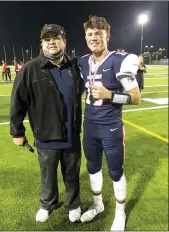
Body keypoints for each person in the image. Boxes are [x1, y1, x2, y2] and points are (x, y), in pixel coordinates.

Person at [10, 24, 84, 223]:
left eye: (56, 37)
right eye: (47, 38)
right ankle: (47, 203)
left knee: (72, 173)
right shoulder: (30, 69)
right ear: (42, 44)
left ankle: (73, 204)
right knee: (48, 174)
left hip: (72, 134)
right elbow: (18, 101)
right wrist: (17, 132)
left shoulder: (76, 67)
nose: (52, 41)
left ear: (64, 42)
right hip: (46, 134)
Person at [78, 15, 141, 231]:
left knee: (115, 171)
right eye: (89, 34)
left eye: (98, 34)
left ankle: (120, 212)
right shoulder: (82, 62)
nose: (93, 38)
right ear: (85, 37)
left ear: (107, 36)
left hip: (111, 127)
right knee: (93, 167)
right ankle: (98, 205)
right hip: (90, 126)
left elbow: (135, 97)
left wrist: (110, 95)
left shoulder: (119, 60)